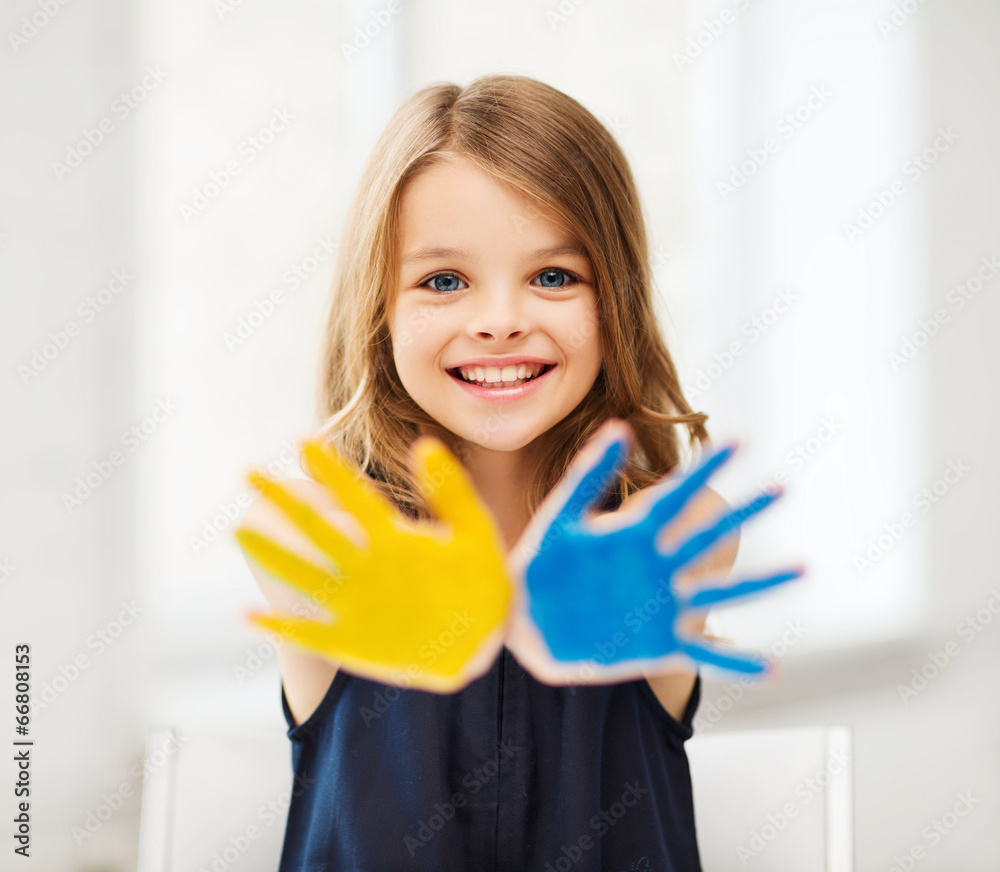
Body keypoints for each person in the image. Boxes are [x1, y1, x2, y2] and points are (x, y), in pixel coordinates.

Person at [240, 73, 743, 871]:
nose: (501, 320)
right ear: (380, 313)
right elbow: (288, 535)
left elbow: (687, 540)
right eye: (444, 281)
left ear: (616, 302)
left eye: (554, 276)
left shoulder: (667, 536)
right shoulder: (323, 537)